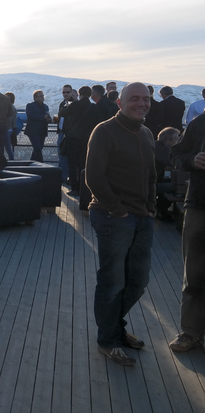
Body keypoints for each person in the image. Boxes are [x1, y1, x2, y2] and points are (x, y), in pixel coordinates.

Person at [85, 82, 155, 366]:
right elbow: (93, 176)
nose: (141, 103)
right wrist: (117, 210)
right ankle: (108, 339)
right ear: (120, 102)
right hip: (113, 216)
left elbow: (151, 174)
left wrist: (150, 208)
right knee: (113, 281)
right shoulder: (104, 131)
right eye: (134, 99)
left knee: (137, 281)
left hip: (142, 217)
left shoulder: (147, 133)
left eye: (146, 99)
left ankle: (115, 328)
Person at [168, 113, 205, 352]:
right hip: (199, 206)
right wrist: (192, 160)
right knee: (193, 271)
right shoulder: (200, 123)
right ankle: (191, 332)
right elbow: (175, 155)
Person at [59, 86, 97, 195]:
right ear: (90, 94)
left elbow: (62, 113)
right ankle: (83, 188)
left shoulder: (75, 105)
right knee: (83, 163)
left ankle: (74, 187)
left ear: (79, 94)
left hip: (73, 138)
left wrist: (66, 104)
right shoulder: (93, 107)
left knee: (72, 163)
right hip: (87, 139)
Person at [154, 127, 180, 220]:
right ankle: (163, 211)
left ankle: (162, 210)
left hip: (155, 180)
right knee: (176, 187)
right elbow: (173, 162)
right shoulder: (161, 150)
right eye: (177, 139)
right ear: (168, 140)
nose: (178, 142)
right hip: (152, 183)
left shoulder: (156, 146)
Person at [24, 90, 51, 162]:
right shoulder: (30, 106)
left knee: (38, 149)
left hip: (42, 131)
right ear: (35, 98)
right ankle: (41, 165)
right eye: (41, 96)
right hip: (33, 131)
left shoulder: (45, 106)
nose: (43, 97)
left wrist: (49, 119)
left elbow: (47, 116)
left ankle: (32, 164)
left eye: (43, 96)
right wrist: (43, 117)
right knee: (37, 149)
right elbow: (30, 116)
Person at [56, 85, 73, 181]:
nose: (65, 94)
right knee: (61, 154)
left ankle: (63, 176)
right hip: (62, 132)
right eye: (64, 92)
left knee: (63, 155)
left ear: (71, 92)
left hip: (67, 133)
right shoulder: (62, 104)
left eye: (67, 92)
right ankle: (62, 176)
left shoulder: (73, 104)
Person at [3, 92, 17, 161]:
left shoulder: (9, 107)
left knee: (7, 147)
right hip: (10, 129)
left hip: (6, 128)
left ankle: (11, 160)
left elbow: (9, 118)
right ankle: (11, 160)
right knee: (8, 147)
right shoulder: (12, 106)